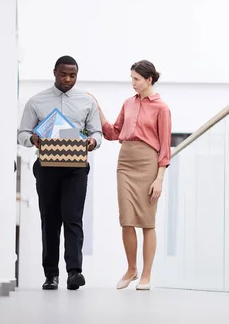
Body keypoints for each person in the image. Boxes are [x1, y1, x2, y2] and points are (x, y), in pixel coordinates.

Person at [17, 55, 102, 291]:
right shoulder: (37, 101)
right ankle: (51, 275)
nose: (67, 79)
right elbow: (21, 133)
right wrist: (32, 138)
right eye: (63, 74)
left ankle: (74, 272)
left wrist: (92, 143)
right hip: (47, 167)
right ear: (54, 72)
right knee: (50, 220)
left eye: (72, 75)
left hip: (75, 167)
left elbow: (97, 133)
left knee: (73, 218)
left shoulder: (87, 102)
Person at [90, 60, 172, 291]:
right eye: (131, 78)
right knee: (126, 220)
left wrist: (159, 179)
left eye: (136, 79)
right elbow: (114, 133)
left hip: (148, 164)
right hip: (125, 162)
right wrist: (98, 110)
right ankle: (131, 268)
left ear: (149, 80)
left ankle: (146, 275)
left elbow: (165, 147)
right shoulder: (128, 103)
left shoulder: (162, 108)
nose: (132, 83)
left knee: (147, 222)